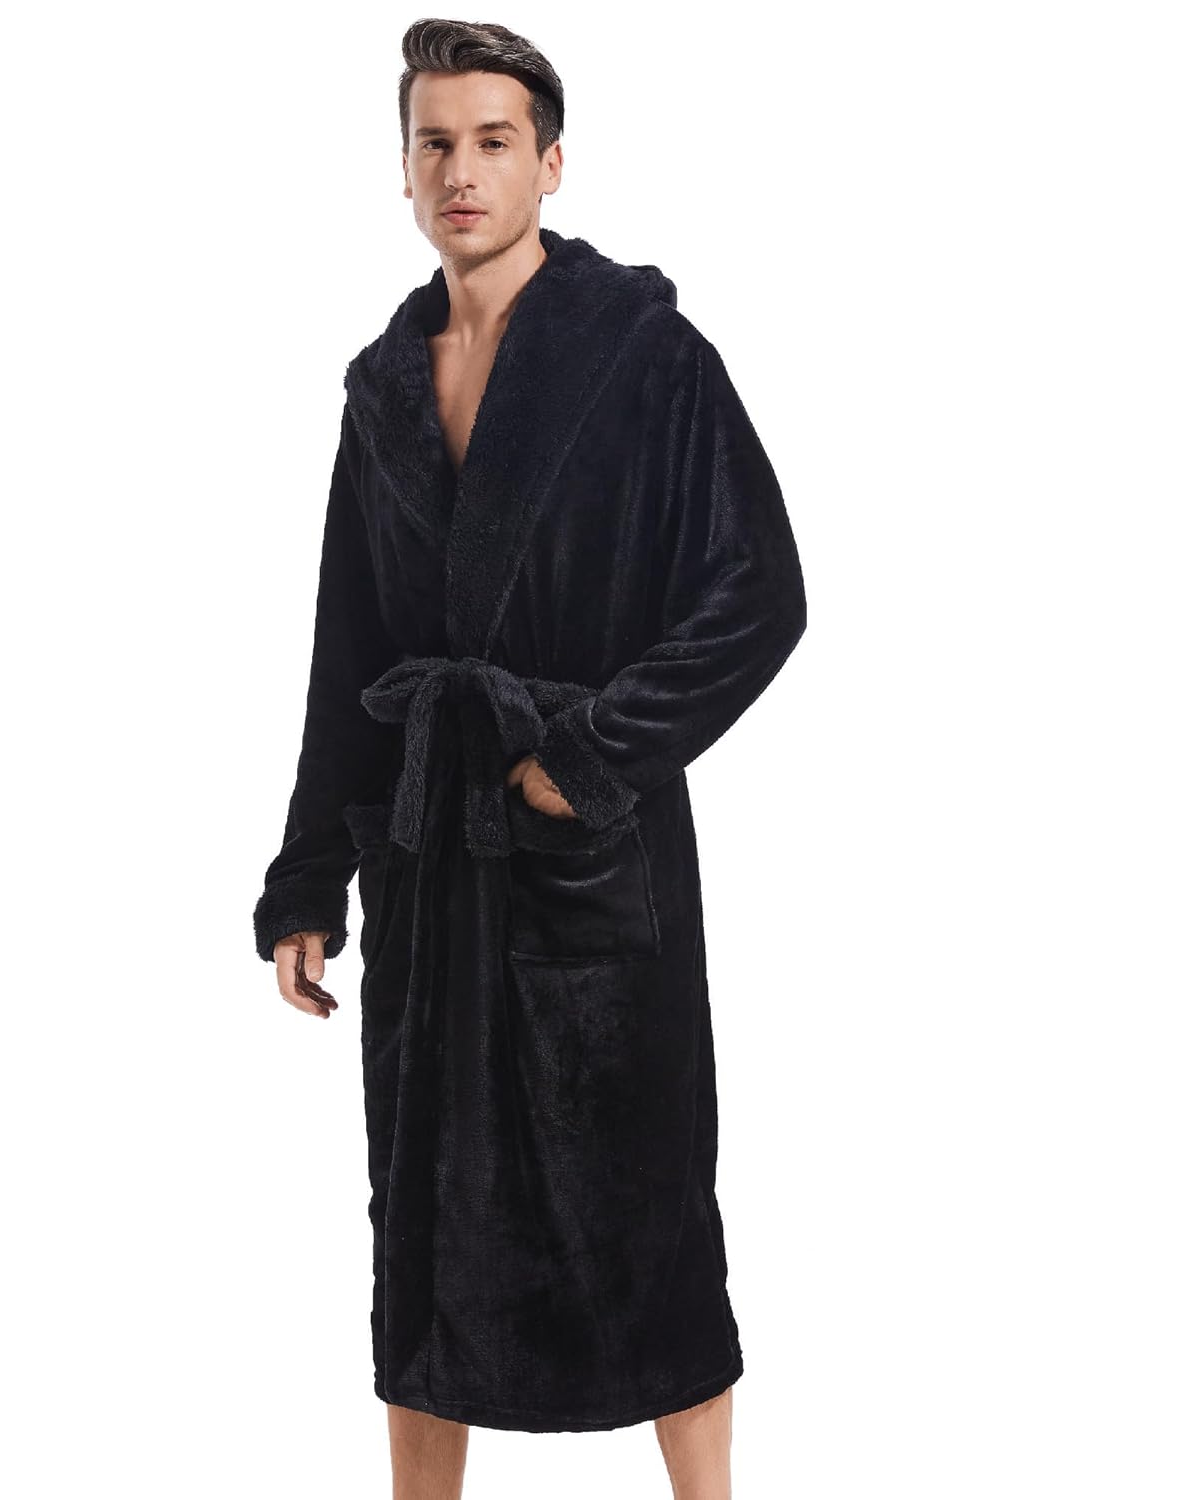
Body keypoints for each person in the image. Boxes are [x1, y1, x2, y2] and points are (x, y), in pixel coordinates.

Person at [252, 18, 807, 1495]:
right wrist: (309, 877)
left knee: (645, 1213)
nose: (463, 170)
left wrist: (586, 762)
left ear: (550, 163)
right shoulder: (383, 387)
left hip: (587, 851)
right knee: (424, 1225)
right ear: (403, 168)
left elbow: (759, 594)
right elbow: (350, 648)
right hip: (429, 861)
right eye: (434, 142)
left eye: (494, 141)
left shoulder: (646, 356)